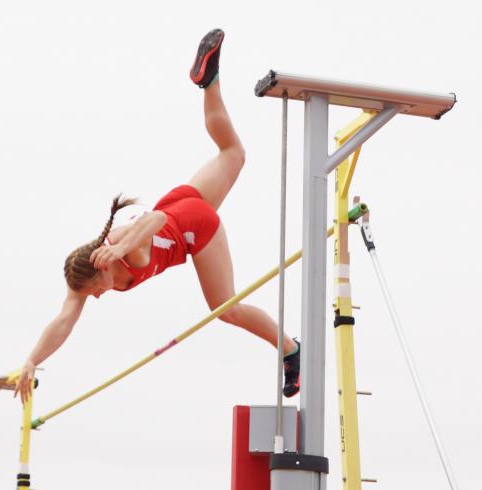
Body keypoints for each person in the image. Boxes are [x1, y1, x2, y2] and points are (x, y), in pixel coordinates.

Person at [15, 28, 300, 403]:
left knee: (225, 308)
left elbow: (155, 222)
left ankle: (290, 348)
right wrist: (32, 360)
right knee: (233, 153)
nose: (97, 298)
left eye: (95, 291)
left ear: (101, 267)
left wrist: (121, 249)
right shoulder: (83, 273)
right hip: (180, 203)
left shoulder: (118, 247)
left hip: (192, 226)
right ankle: (209, 81)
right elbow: (65, 320)